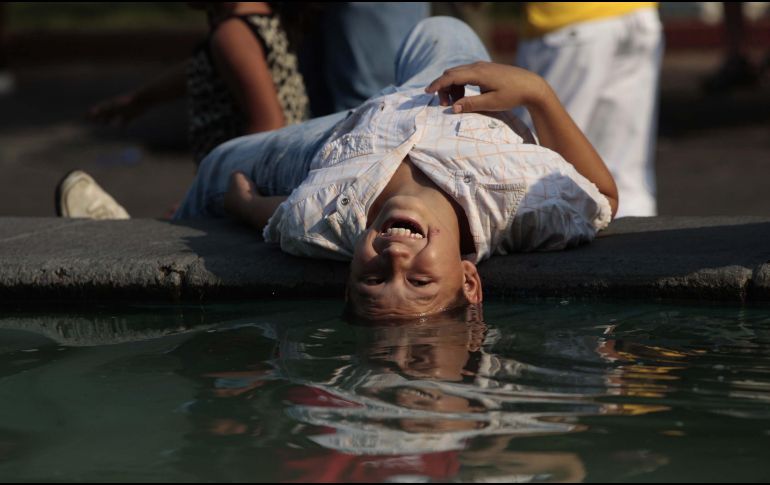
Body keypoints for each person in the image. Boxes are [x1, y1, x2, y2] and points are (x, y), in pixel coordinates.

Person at [59, 17, 617, 320]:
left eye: (374, 277)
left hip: (342, 141)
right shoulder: (524, 203)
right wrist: (539, 96)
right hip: (447, 95)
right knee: (441, 27)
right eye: (419, 279)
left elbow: (268, 213)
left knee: (223, 162)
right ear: (470, 278)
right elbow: (604, 198)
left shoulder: (319, 226)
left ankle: (130, 229)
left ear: (348, 270)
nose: (395, 258)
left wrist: (239, 205)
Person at [88, 2, 309, 166]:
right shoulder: (260, 17)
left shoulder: (233, 35)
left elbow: (269, 125)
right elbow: (205, 68)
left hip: (241, 183)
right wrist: (141, 99)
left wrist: (214, 189)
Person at [514, 2, 663, 218]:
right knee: (625, 174)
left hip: (568, 20)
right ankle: (640, 245)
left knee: (533, 163)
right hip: (638, 14)